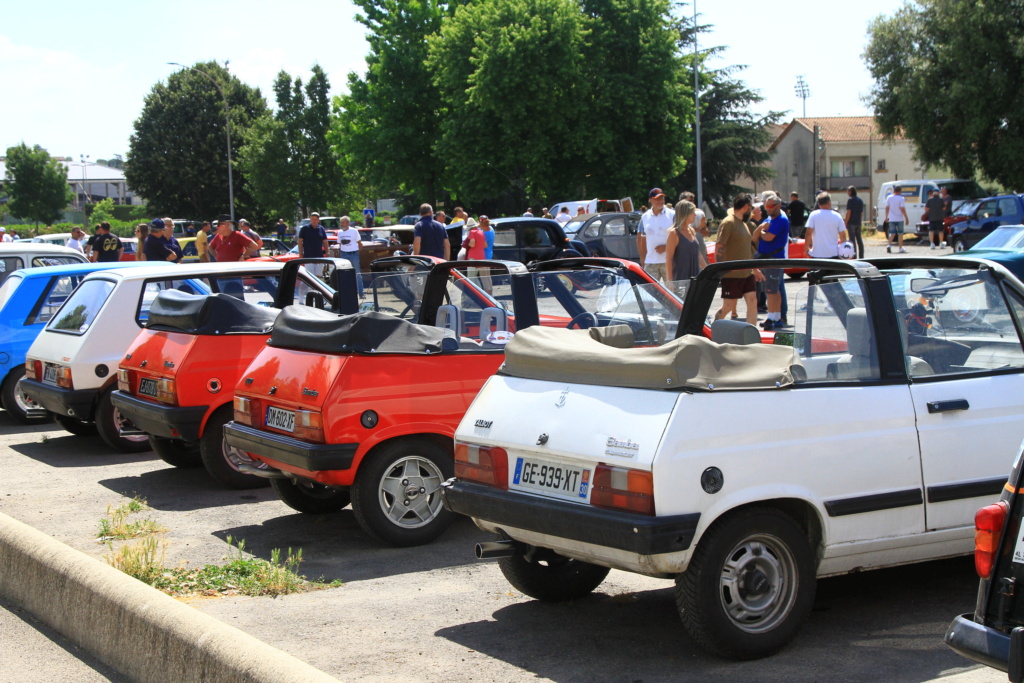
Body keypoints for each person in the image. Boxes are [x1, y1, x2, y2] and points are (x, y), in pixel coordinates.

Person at [713, 194, 762, 325]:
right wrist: (719, 270)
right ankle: (714, 328)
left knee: (752, 300)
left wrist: (755, 269)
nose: (751, 211)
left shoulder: (744, 224)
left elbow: (747, 250)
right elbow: (719, 246)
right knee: (729, 305)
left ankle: (752, 334)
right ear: (746, 207)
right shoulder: (728, 222)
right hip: (732, 274)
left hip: (747, 273)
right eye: (751, 208)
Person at [752, 195, 790, 331]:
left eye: (770, 206)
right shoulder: (768, 220)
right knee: (774, 290)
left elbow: (768, 237)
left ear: (778, 206)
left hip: (774, 260)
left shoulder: (781, 220)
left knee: (771, 291)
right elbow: (754, 237)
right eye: (766, 206)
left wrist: (762, 231)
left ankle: (773, 317)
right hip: (767, 260)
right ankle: (775, 317)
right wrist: (762, 228)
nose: (767, 209)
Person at [664, 200, 706, 295]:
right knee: (682, 307)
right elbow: (669, 258)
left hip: (694, 277)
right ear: (685, 214)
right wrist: (670, 281)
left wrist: (707, 270)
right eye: (692, 213)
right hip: (680, 279)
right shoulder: (674, 233)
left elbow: (698, 254)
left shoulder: (691, 231)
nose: (695, 215)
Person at [637, 188, 674, 282]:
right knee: (650, 293)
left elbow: (679, 236)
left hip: (669, 261)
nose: (661, 201)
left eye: (662, 198)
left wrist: (666, 247)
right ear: (650, 200)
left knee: (673, 292)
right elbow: (642, 239)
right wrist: (643, 260)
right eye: (657, 199)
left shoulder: (672, 215)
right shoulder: (645, 217)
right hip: (651, 262)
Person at [805, 192, 849, 259]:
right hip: (833, 254)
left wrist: (806, 248)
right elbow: (843, 235)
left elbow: (808, 233)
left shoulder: (813, 215)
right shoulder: (837, 216)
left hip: (817, 254)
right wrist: (844, 251)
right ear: (829, 203)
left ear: (819, 204)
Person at [336, 216, 363, 297]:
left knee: (357, 273)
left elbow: (360, 244)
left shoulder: (354, 231)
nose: (342, 224)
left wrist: (357, 252)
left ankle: (361, 292)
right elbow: (339, 244)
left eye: (343, 222)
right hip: (344, 254)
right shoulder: (340, 232)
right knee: (344, 273)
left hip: (353, 254)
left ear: (348, 223)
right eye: (341, 223)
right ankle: (346, 292)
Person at [679, 191, 709, 262]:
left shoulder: (699, 213)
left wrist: (701, 229)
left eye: (693, 200)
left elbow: (706, 233)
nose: (692, 202)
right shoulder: (676, 214)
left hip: (698, 244)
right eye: (689, 200)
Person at [885, 186, 909, 253]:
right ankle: (900, 248)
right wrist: (906, 217)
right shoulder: (901, 198)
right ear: (900, 191)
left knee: (892, 233)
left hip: (892, 218)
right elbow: (902, 208)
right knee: (900, 233)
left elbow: (887, 207)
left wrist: (886, 217)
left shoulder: (889, 197)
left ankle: (889, 245)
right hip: (899, 218)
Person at [844, 186, 865, 258]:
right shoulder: (860, 200)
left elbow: (848, 212)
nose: (847, 193)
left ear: (850, 192)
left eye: (848, 191)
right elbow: (861, 213)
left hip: (851, 222)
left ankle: (854, 256)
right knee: (859, 240)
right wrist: (860, 221)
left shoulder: (850, 200)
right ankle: (861, 256)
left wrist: (845, 222)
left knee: (852, 241)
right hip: (858, 222)